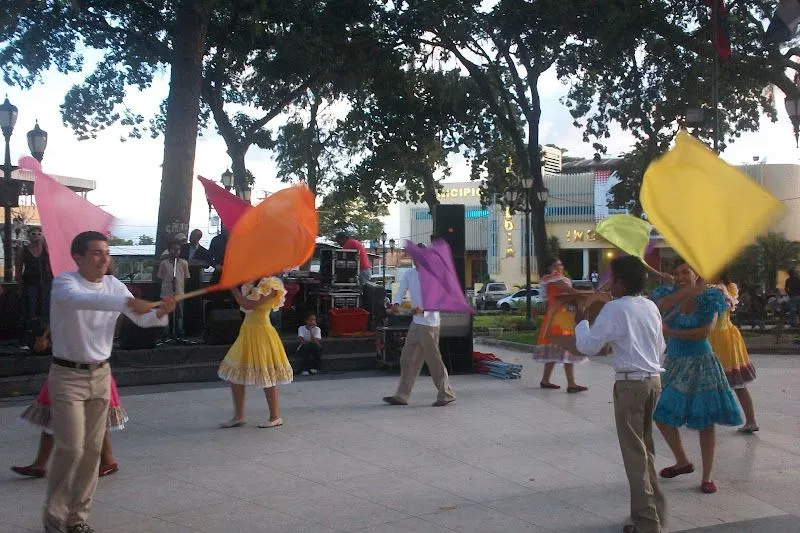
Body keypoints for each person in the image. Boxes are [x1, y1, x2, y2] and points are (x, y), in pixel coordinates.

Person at [42, 231, 175, 533]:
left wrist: (160, 312)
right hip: (67, 376)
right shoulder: (65, 283)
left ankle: (78, 520)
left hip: (101, 374)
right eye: (96, 253)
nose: (104, 259)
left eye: (106, 252)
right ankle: (54, 518)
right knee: (71, 448)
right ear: (78, 257)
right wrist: (128, 303)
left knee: (91, 451)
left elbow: (142, 318)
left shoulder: (115, 285)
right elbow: (83, 300)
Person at [573, 256, 666, 533]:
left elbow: (589, 346)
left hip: (630, 386)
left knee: (635, 454)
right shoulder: (650, 306)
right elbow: (660, 346)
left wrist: (581, 321)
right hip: (653, 382)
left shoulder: (615, 308)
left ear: (621, 283)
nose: (608, 284)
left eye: (611, 279)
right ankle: (654, 511)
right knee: (646, 449)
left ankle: (647, 522)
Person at [651, 261, 742, 495]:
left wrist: (671, 333)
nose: (680, 276)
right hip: (675, 363)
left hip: (702, 362)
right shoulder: (668, 295)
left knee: (705, 419)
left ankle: (707, 477)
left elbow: (705, 332)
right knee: (662, 416)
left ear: (697, 273)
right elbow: (658, 307)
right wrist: (685, 292)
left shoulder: (710, 297)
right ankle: (682, 461)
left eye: (685, 271)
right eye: (677, 272)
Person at [12, 376, 128, 479]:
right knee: (58, 416)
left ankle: (107, 460)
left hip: (85, 372)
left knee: (91, 418)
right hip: (67, 371)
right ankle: (40, 464)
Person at [383, 244, 455, 407]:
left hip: (429, 323)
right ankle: (402, 395)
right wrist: (395, 303)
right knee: (407, 357)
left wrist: (424, 309)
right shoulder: (409, 273)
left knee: (433, 360)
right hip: (416, 323)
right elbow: (401, 289)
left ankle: (446, 393)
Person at [218, 277, 293, 428]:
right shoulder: (250, 284)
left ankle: (275, 416)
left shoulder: (272, 285)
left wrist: (233, 288)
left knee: (267, 374)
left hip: (262, 333)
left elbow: (249, 304)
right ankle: (239, 416)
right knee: (235, 374)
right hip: (247, 331)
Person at [708, 273, 759, 433]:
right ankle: (750, 420)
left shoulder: (719, 290)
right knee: (735, 383)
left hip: (720, 339)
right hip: (724, 336)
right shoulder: (727, 288)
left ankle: (749, 420)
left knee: (733, 382)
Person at [532, 256, 591, 392]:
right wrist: (586, 294)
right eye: (556, 265)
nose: (559, 267)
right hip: (560, 317)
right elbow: (569, 291)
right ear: (550, 267)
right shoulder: (555, 278)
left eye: (560, 265)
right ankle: (571, 384)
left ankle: (546, 380)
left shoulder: (549, 279)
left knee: (555, 349)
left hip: (558, 316)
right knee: (567, 348)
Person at [16, 227, 53, 348]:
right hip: (29, 284)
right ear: (29, 236)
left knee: (45, 310)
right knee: (30, 311)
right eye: (33, 233)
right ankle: (27, 340)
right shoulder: (23, 250)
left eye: (39, 233)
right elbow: (18, 268)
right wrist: (19, 286)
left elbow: (51, 264)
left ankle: (44, 339)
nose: (36, 235)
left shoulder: (45, 249)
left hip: (44, 284)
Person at [157, 241, 190, 336]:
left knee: (179, 314)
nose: (176, 251)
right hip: (166, 293)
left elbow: (186, 278)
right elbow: (160, 277)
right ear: (169, 250)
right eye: (174, 249)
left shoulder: (184, 263)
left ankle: (179, 332)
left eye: (178, 249)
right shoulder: (164, 263)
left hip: (179, 293)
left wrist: (179, 286)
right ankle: (165, 333)